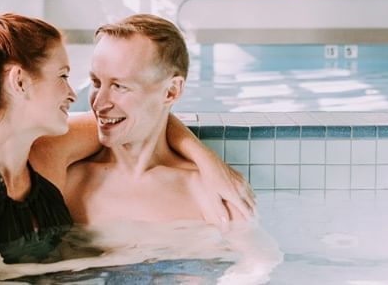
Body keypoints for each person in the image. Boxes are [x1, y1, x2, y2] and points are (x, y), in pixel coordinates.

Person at [0, 1, 252, 279]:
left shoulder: (46, 155)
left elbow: (146, 119)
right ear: (20, 82)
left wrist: (209, 162)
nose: (78, 95)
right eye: (63, 76)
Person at [63, 14, 282, 283]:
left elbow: (260, 260)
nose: (99, 103)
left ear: (171, 92)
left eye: (119, 86)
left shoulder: (206, 191)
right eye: (96, 83)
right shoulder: (71, 183)